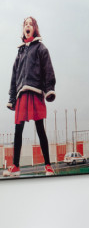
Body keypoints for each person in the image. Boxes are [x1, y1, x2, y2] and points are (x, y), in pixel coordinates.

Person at [5, 16, 56, 177]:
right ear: (23, 30)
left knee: (40, 128)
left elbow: (48, 68)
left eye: (30, 24)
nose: (27, 26)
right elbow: (14, 76)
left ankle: (48, 165)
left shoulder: (40, 48)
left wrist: (49, 89)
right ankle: (15, 166)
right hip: (21, 94)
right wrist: (12, 98)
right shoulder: (19, 52)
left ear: (34, 29)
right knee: (17, 130)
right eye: (25, 24)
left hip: (35, 91)